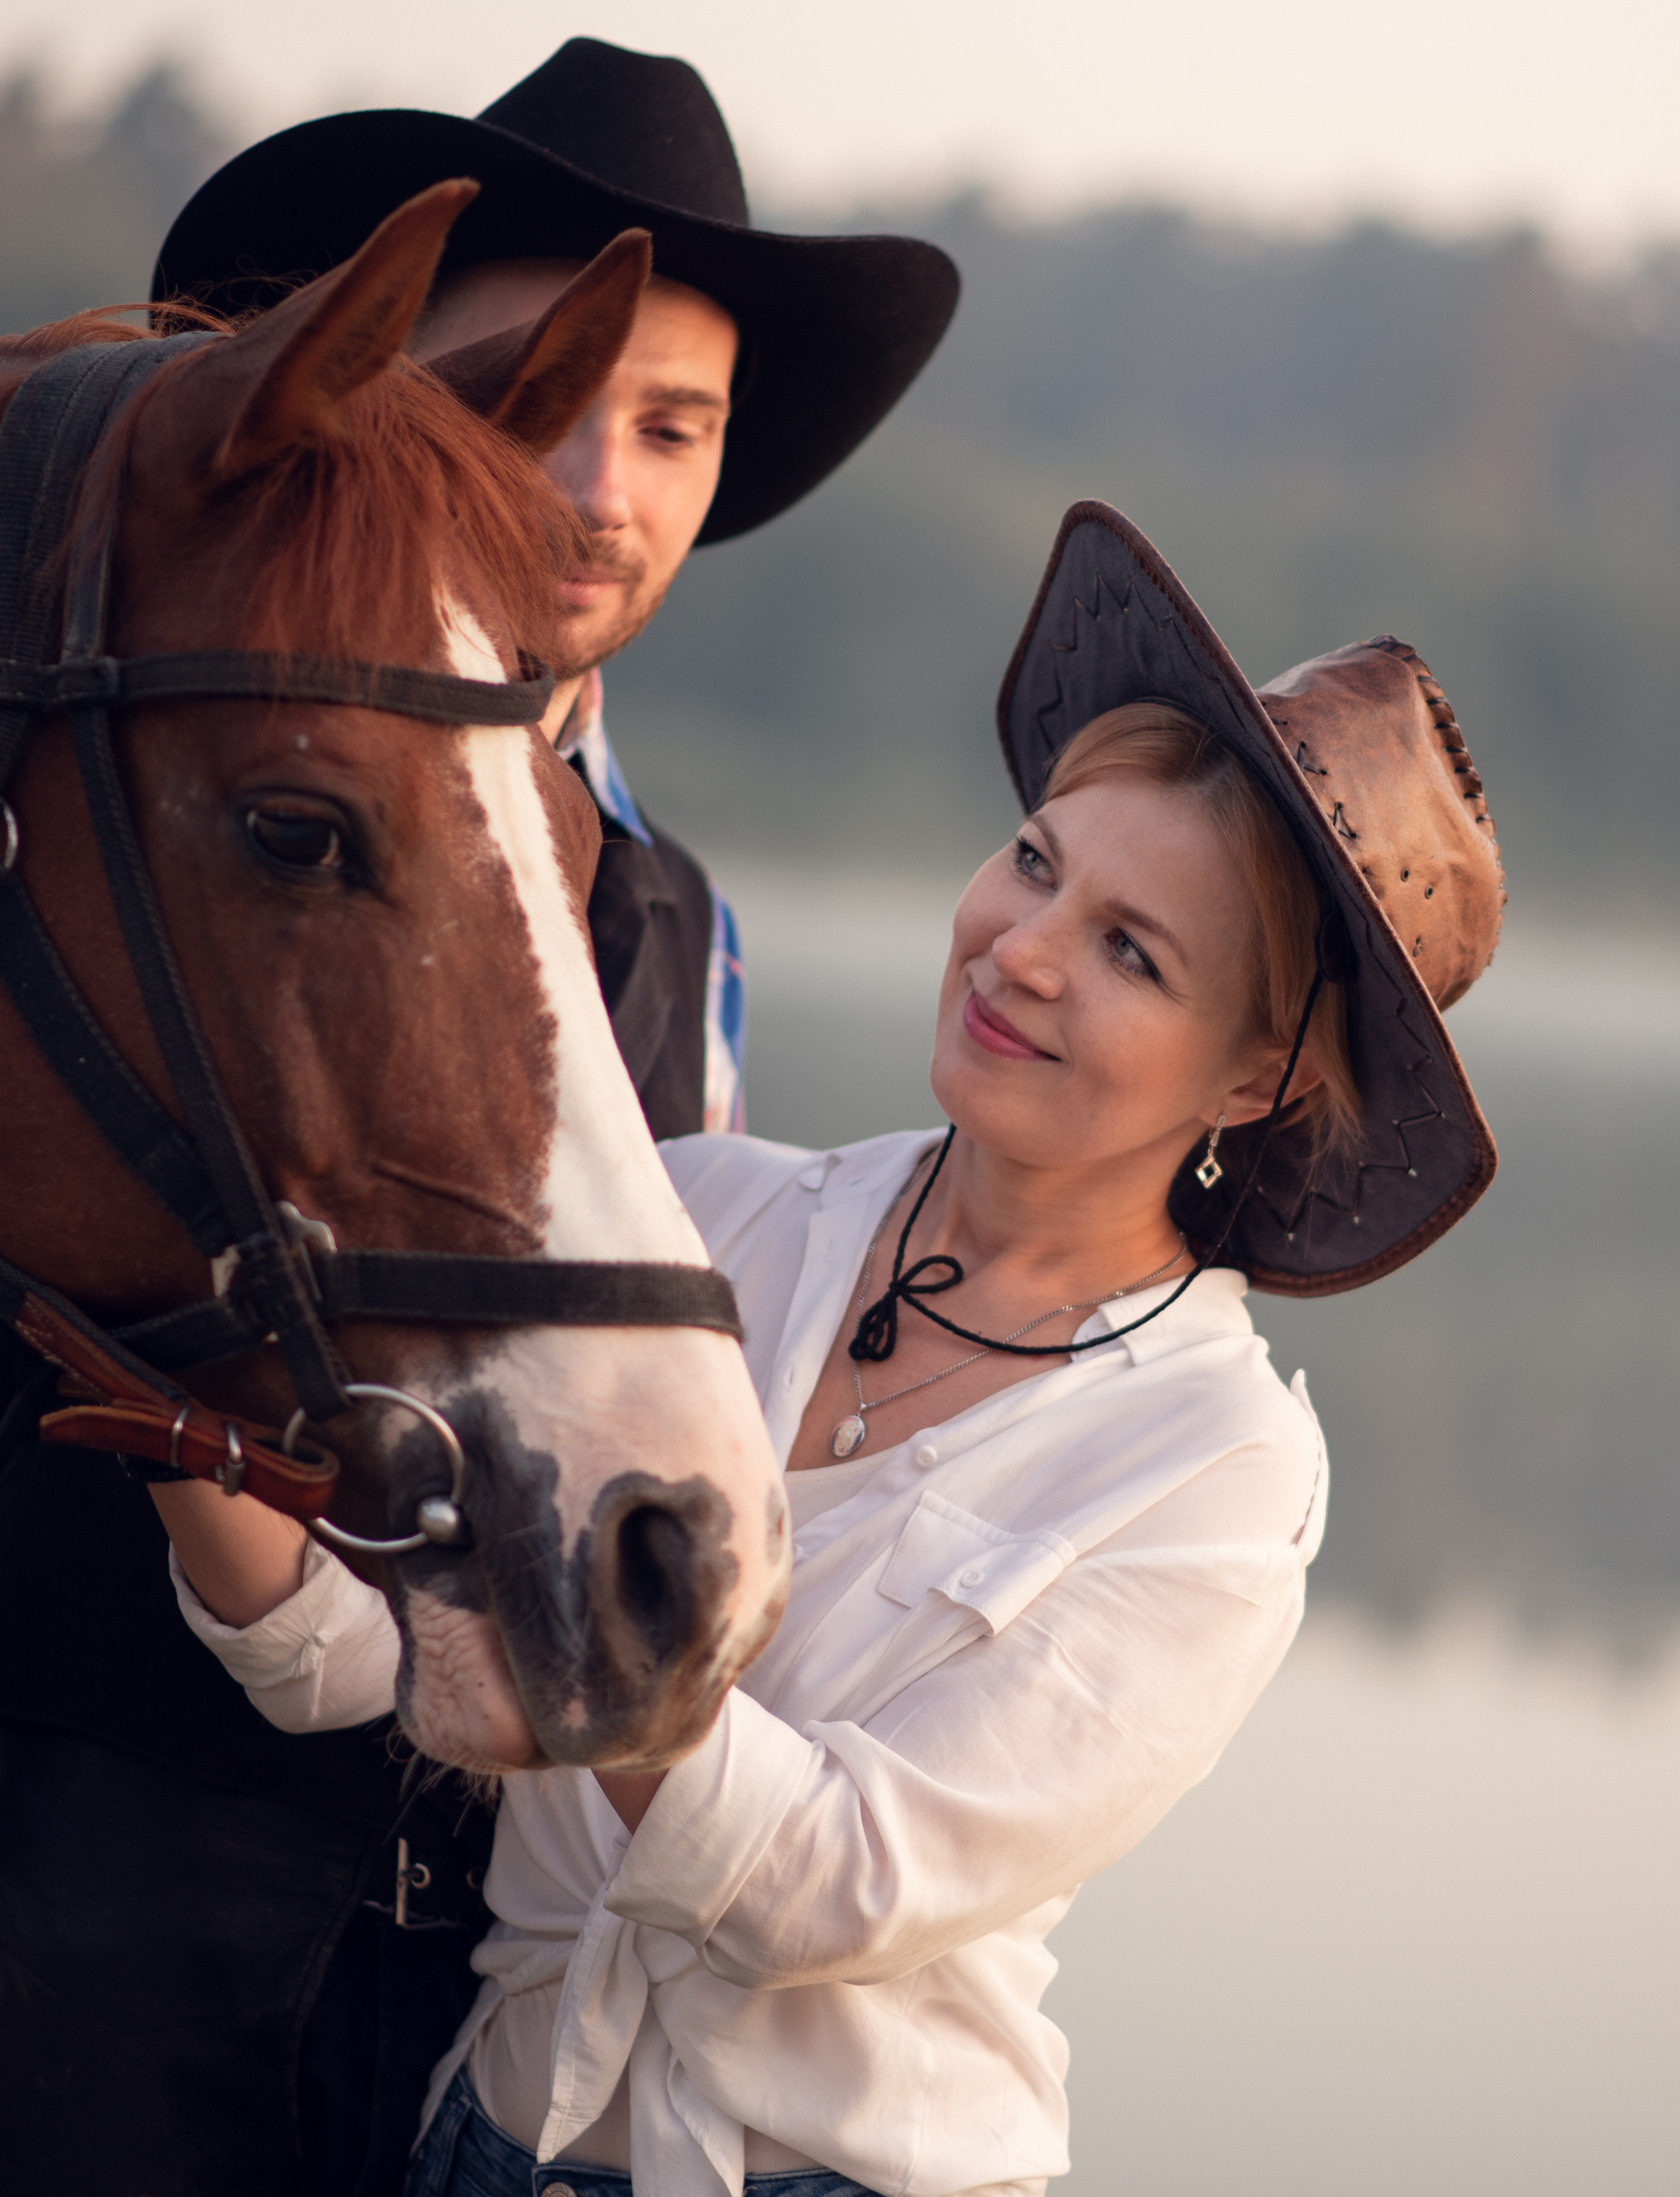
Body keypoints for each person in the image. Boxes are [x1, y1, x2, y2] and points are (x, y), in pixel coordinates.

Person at [0, 40, 957, 2197]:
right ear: (390, 400)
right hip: (93, 1918)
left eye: (672, 426)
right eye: (527, 392)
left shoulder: (692, 932)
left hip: (478, 1996)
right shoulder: (157, 805)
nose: (597, 481)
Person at [162, 503, 1506, 2195]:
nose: (1018, 952)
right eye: (1035, 861)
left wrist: (585, 1586)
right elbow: (366, 1662)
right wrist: (181, 1427)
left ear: (1245, 1081)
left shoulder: (1214, 1470)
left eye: (1127, 951)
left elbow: (836, 1883)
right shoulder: (697, 1222)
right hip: (486, 2141)